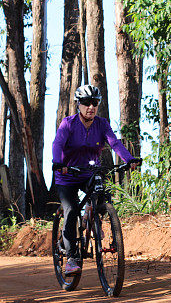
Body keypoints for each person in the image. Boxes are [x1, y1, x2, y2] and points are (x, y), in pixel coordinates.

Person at [52, 85, 140, 276]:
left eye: (94, 103)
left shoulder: (102, 124)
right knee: (71, 210)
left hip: (88, 172)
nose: (90, 107)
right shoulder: (68, 123)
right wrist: (58, 163)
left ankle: (94, 220)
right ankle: (72, 258)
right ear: (78, 104)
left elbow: (114, 142)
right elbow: (58, 143)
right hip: (67, 175)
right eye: (86, 103)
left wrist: (129, 159)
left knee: (103, 198)